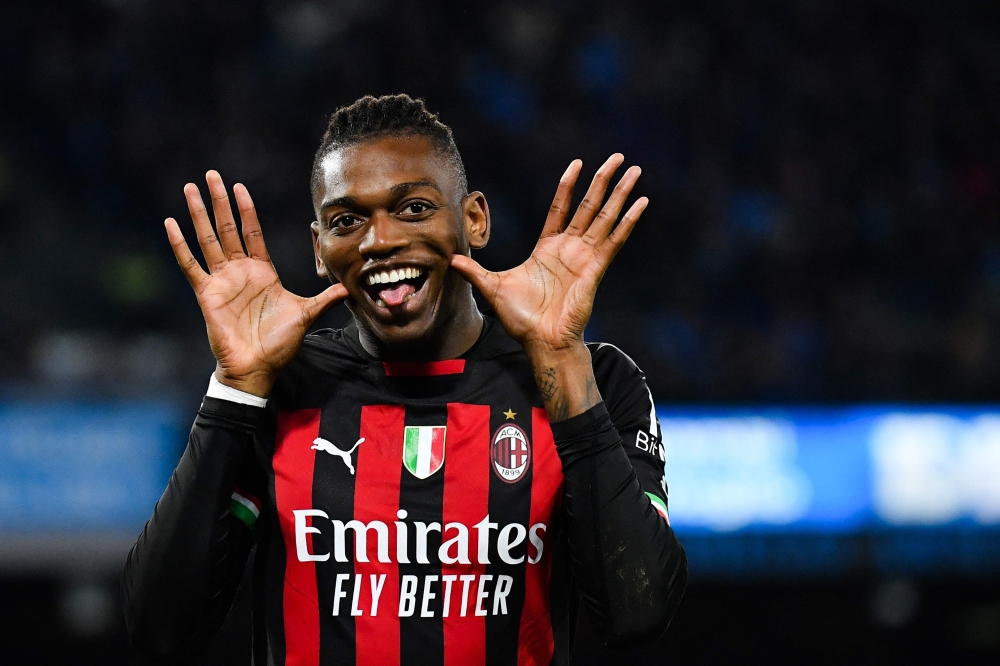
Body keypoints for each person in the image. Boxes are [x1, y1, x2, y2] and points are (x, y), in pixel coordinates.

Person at [121, 94, 687, 666]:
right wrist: (235, 387)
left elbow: (636, 614)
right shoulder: (280, 387)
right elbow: (158, 628)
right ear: (320, 250)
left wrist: (560, 359)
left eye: (413, 208)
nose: (380, 240)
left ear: (474, 219)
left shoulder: (595, 379)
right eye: (347, 221)